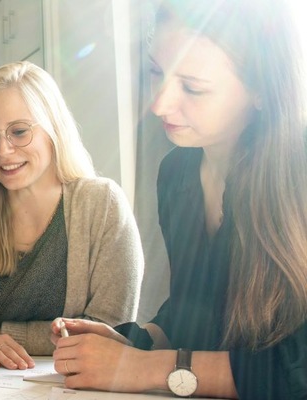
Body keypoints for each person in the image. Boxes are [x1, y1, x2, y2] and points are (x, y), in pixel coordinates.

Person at [50, 0, 307, 398]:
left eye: (193, 87)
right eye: (157, 72)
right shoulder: (176, 173)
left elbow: (297, 370)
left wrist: (141, 367)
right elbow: (195, 311)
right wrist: (136, 341)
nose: (160, 104)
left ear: (261, 90)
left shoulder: (298, 175)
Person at [0, 61, 143, 370]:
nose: (3, 151)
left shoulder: (102, 205)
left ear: (53, 127)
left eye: (19, 132)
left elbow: (109, 330)